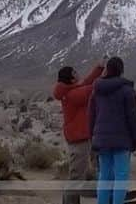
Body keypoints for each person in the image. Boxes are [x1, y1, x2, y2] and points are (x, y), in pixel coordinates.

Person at [88, 57, 136, 204]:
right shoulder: (127, 90)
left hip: (102, 140)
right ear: (121, 70)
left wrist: (92, 137)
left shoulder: (96, 90)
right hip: (122, 140)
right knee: (121, 176)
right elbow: (132, 117)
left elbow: (91, 115)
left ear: (107, 69)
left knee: (104, 175)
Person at [53, 59, 106, 204]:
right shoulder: (73, 95)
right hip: (79, 139)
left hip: (82, 136)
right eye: (75, 72)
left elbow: (86, 82)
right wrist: (107, 77)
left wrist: (99, 67)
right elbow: (91, 88)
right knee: (76, 176)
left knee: (83, 173)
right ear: (71, 78)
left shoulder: (70, 89)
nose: (78, 73)